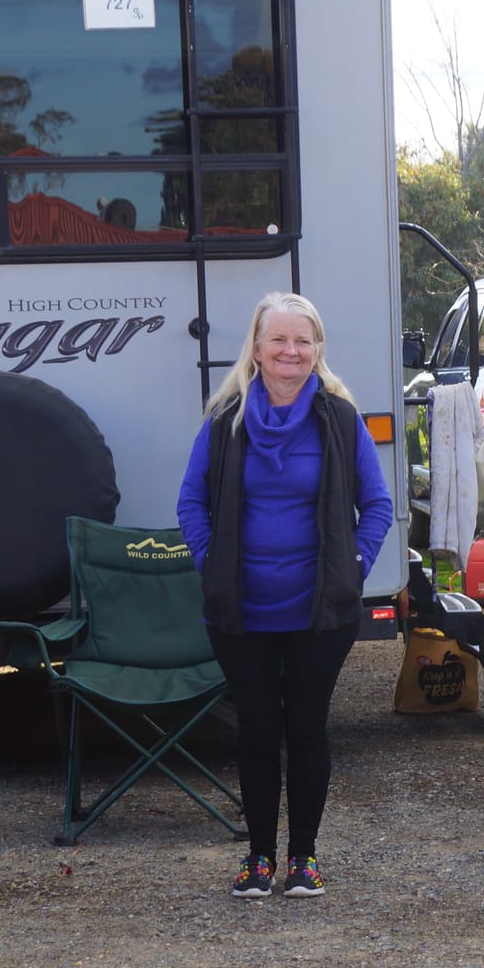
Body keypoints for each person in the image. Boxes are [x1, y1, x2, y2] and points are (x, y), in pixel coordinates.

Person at [177, 293, 392, 899]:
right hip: (240, 610)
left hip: (320, 610)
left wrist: (353, 566)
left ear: (318, 350)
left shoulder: (340, 420)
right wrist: (211, 562)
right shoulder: (225, 421)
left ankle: (303, 858)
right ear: (256, 347)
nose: (290, 351)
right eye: (279, 340)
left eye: (303, 341)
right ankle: (257, 858)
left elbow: (376, 505)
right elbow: (191, 501)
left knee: (307, 730)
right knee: (255, 730)